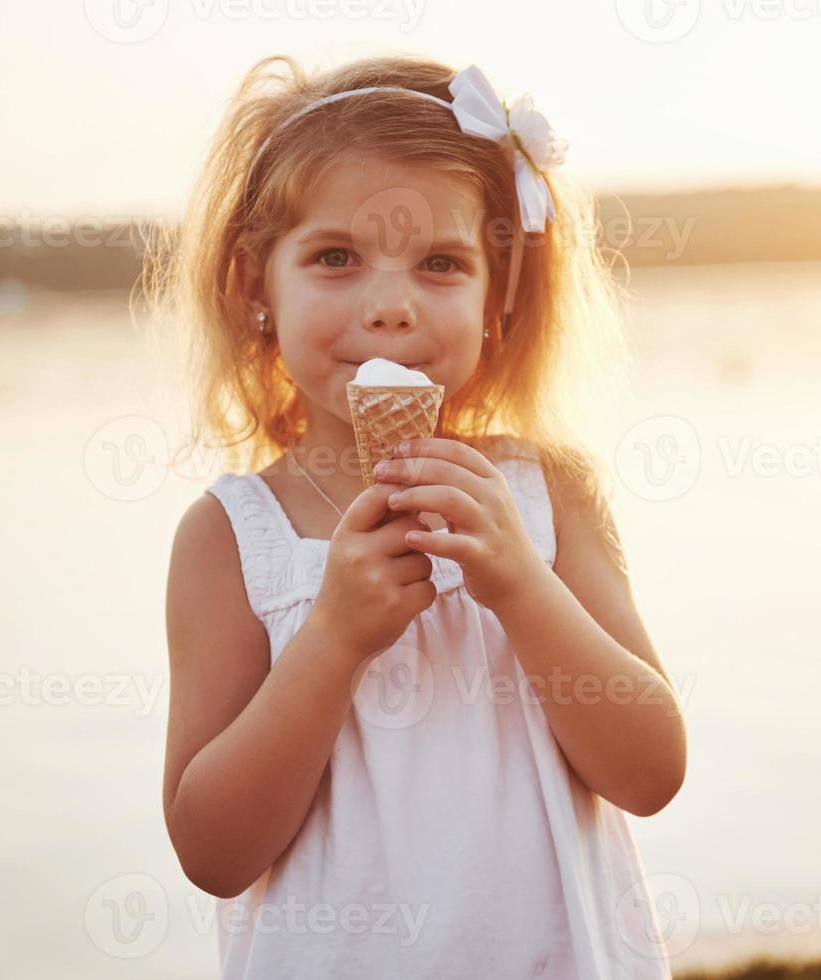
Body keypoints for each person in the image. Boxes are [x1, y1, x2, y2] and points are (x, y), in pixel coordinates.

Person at [150, 52, 687, 978]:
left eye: (440, 263)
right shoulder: (232, 538)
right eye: (335, 258)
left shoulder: (547, 497)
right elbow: (212, 850)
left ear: (500, 296)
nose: (390, 306)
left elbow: (650, 771)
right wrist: (334, 637)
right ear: (253, 286)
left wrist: (521, 588)